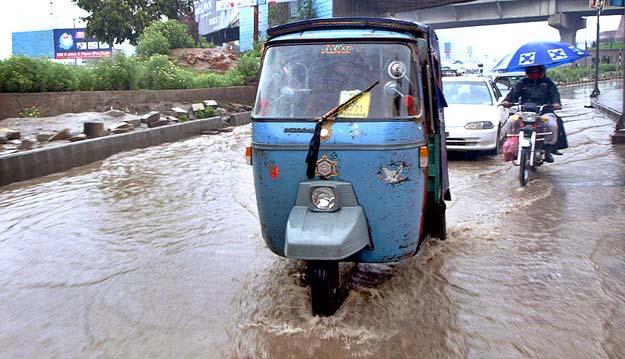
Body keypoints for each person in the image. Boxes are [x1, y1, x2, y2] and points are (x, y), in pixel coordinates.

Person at [501, 65, 561, 163]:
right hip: (524, 112)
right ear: (527, 72)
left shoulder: (549, 83)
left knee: (552, 125)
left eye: (536, 71)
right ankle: (514, 144)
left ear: (542, 71)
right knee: (511, 121)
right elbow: (513, 95)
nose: (534, 73)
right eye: (531, 71)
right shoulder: (521, 83)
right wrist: (507, 101)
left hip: (543, 112)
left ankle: (548, 149)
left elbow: (555, 95)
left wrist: (556, 103)